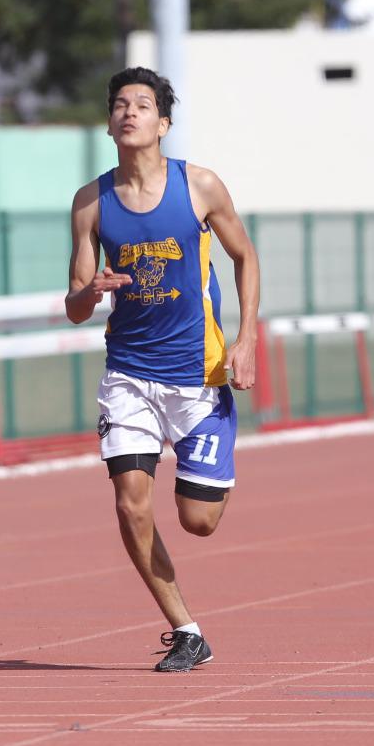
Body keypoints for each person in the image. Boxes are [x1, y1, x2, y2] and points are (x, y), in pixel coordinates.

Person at [64, 67, 261, 672]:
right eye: (119, 104)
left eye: (142, 105)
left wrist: (246, 339)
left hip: (197, 378)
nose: (129, 113)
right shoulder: (90, 202)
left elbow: (244, 255)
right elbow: (74, 306)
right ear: (109, 122)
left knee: (198, 521)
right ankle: (186, 630)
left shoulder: (199, 186)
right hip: (127, 374)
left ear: (163, 123)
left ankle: (213, 452)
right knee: (130, 504)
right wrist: (90, 289)